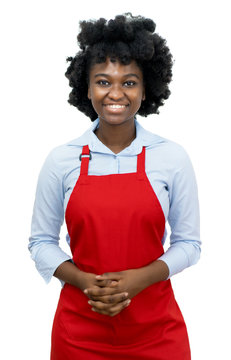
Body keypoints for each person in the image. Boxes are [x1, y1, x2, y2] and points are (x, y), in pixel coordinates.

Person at [28, 13, 201, 359]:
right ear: (86, 87)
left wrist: (142, 278)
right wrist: (83, 281)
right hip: (79, 331)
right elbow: (40, 242)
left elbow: (190, 244)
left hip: (157, 329)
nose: (116, 93)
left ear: (146, 87)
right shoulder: (62, 159)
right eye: (103, 82)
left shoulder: (171, 157)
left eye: (130, 82)